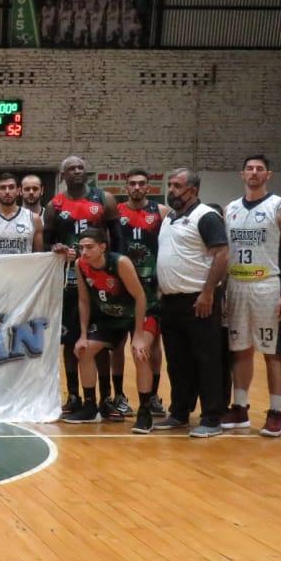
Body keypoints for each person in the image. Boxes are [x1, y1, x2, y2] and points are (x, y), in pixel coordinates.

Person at [221, 155, 281, 436]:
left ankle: (276, 411)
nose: (254, 173)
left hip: (267, 284)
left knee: (272, 352)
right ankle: (240, 407)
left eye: (259, 169)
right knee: (240, 349)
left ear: (269, 174)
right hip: (236, 285)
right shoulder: (230, 208)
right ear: (242, 174)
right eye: (249, 169)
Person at [43, 156, 122, 418]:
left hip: (100, 280)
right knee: (70, 341)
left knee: (99, 342)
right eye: (71, 169)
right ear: (62, 175)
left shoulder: (105, 199)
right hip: (69, 283)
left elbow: (117, 241)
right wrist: (56, 249)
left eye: (81, 168)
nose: (77, 171)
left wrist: (117, 274)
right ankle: (75, 396)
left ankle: (106, 398)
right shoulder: (54, 205)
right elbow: (47, 244)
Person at [153, 169, 229, 437]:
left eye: (177, 185)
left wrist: (208, 292)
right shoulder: (169, 218)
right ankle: (180, 412)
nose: (171, 189)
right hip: (172, 302)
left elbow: (221, 254)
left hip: (199, 300)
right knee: (178, 361)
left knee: (206, 360)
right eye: (170, 184)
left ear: (193, 190)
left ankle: (211, 417)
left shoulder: (206, 216)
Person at [67, 228, 157, 430]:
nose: (84, 252)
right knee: (84, 350)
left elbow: (140, 297)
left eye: (89, 247)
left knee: (139, 353)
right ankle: (90, 407)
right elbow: (83, 300)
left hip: (139, 313)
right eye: (81, 248)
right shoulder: (80, 265)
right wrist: (82, 335)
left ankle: (144, 411)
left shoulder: (120, 263)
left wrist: (139, 336)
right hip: (110, 316)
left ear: (102, 247)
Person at [116, 169, 170, 418]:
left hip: (151, 288)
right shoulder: (117, 212)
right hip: (122, 288)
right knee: (117, 343)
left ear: (148, 187)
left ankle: (154, 397)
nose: (137, 187)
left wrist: (162, 286)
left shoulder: (161, 213)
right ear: (126, 188)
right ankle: (118, 395)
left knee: (152, 345)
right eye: (132, 184)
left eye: (141, 184)